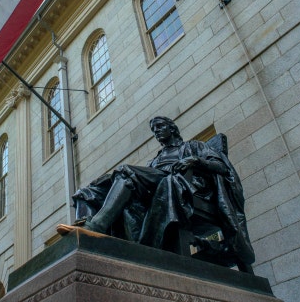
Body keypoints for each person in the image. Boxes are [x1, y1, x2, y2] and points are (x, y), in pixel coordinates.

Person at [71, 116, 255, 273]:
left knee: (126, 172)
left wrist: (194, 160)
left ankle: (97, 226)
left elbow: (221, 166)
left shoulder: (193, 146)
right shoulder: (155, 160)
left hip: (185, 186)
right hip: (156, 189)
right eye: (154, 129)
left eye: (160, 127)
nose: (156, 131)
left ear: (172, 129)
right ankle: (83, 231)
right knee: (87, 191)